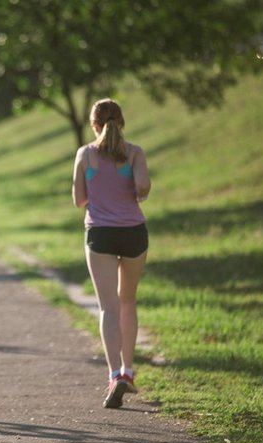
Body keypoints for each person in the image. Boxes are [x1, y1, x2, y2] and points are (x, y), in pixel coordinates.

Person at [71, 98, 151, 409]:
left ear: (93, 125)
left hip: (100, 235)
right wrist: (137, 185)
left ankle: (114, 374)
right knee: (127, 300)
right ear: (122, 122)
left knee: (108, 307)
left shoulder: (85, 154)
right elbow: (143, 188)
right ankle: (129, 373)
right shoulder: (134, 153)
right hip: (133, 234)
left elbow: (79, 200)